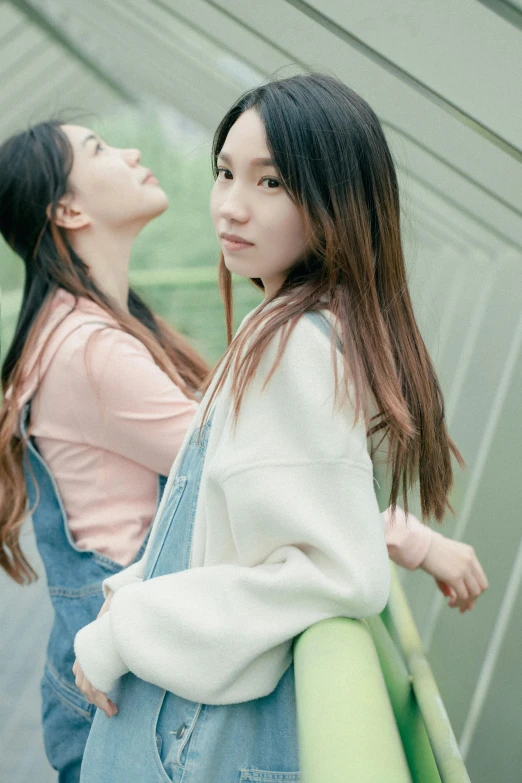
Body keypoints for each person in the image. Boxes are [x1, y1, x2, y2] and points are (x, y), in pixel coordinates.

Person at [71, 74, 488, 783]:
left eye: (271, 184)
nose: (231, 206)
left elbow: (336, 572)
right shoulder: (298, 325)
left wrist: (119, 628)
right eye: (226, 173)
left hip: (188, 726)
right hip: (195, 712)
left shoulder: (294, 346)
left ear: (336, 202)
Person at [0, 121, 209, 782]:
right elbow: (243, 468)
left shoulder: (71, 325)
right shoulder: (91, 349)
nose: (132, 153)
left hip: (101, 680)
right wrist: (398, 534)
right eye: (99, 150)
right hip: (123, 694)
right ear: (67, 210)